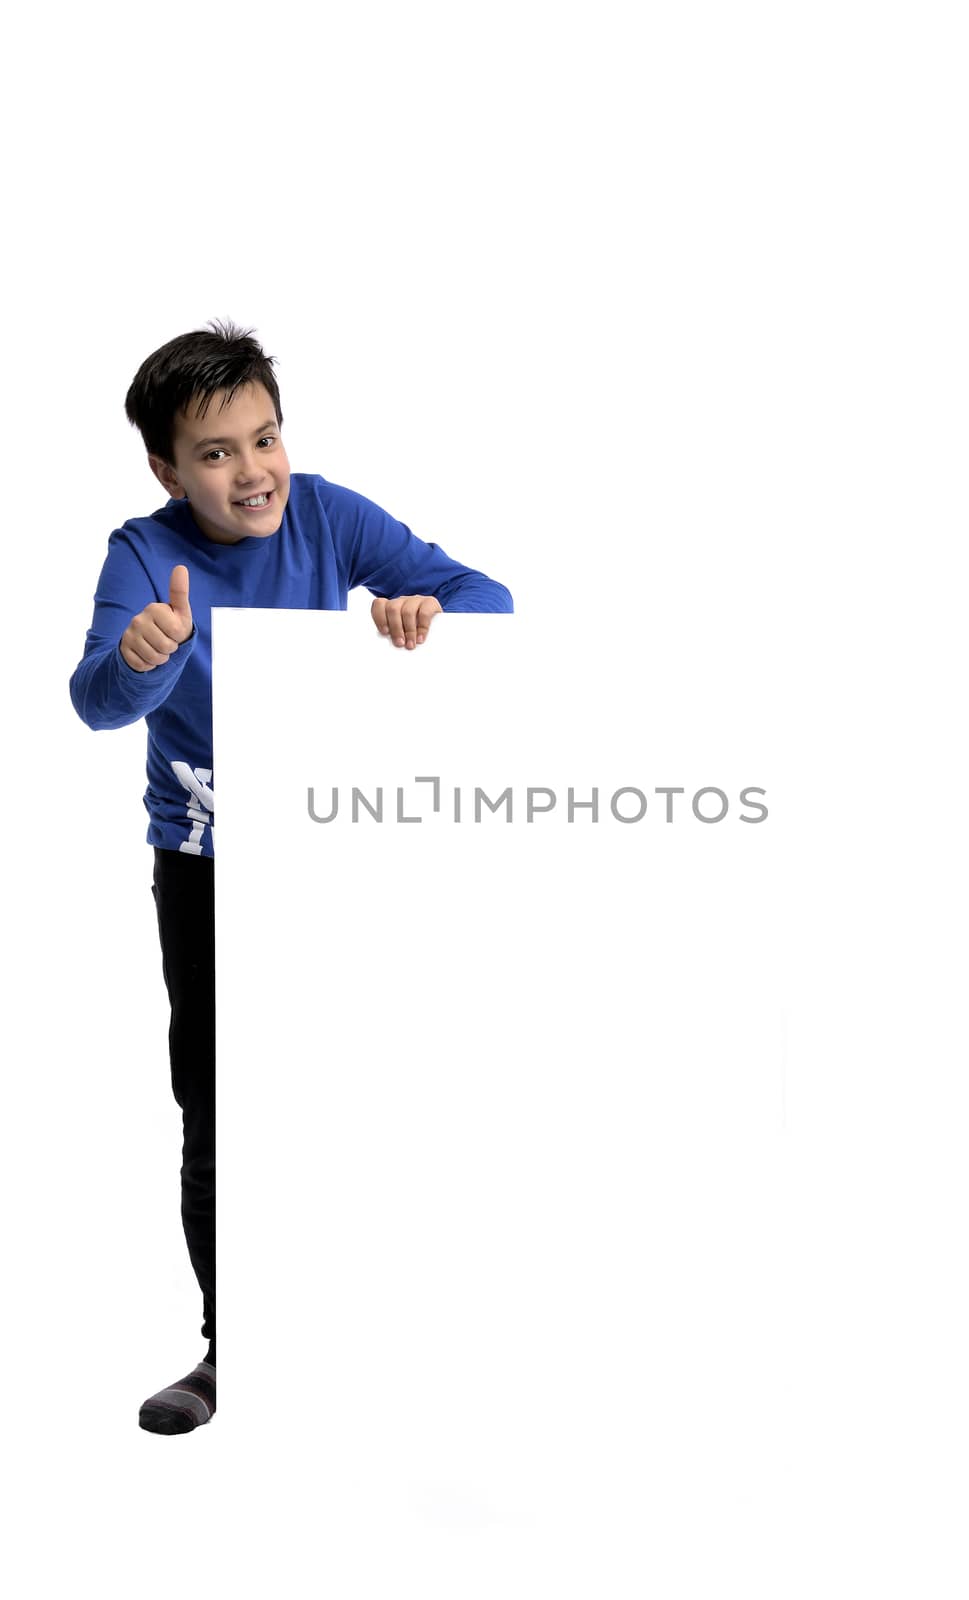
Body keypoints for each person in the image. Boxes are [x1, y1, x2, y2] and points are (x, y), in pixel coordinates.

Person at [70, 318, 513, 1435]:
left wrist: (427, 612)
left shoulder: (324, 510)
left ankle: (393, 1329)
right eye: (216, 454)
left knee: (374, 1086)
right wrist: (140, 659)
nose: (252, 471)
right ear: (168, 468)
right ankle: (234, 1350)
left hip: (338, 854)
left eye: (264, 439)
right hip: (209, 865)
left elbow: (488, 597)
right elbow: (93, 703)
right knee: (222, 1108)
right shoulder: (140, 552)